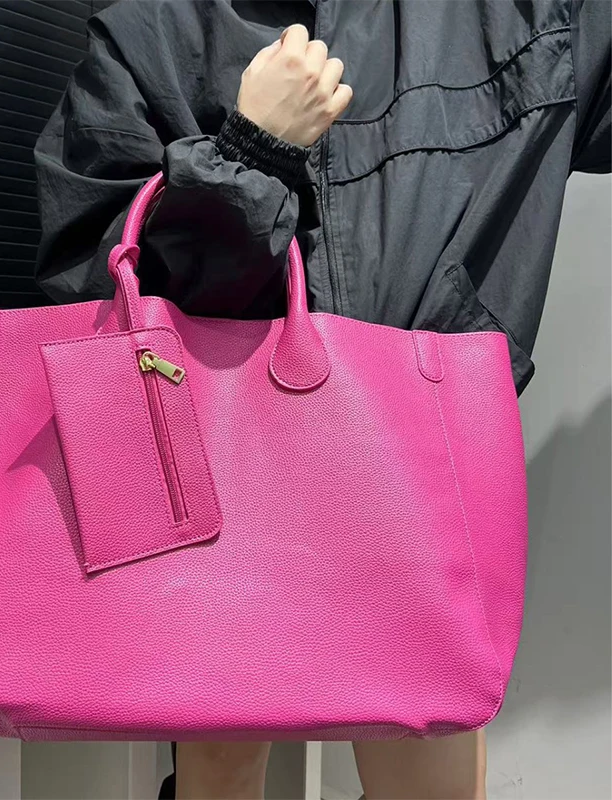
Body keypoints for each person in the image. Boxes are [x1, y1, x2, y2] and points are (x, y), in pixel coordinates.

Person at [33, 1, 610, 798]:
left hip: (423, 459)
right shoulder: (153, 29)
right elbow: (94, 281)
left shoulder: (511, 10)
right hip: (217, 471)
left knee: (426, 735)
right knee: (223, 746)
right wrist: (246, 155)